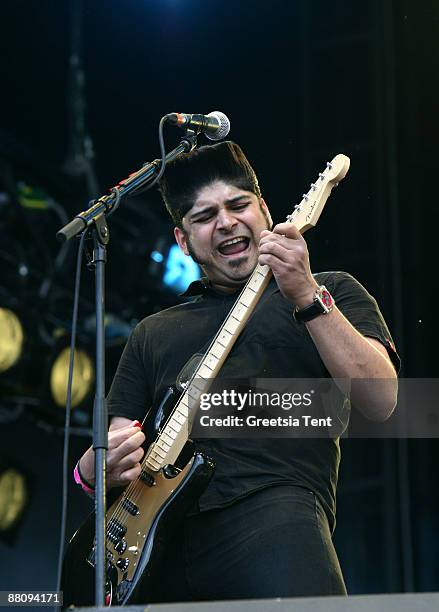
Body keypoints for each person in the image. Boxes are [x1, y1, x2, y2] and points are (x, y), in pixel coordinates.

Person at [76, 141, 399, 601]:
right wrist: (90, 472)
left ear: (265, 211)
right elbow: (115, 452)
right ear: (182, 241)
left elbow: (381, 399)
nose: (226, 222)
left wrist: (307, 295)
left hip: (275, 518)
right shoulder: (152, 332)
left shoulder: (331, 292)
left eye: (238, 205)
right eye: (204, 217)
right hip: (155, 549)